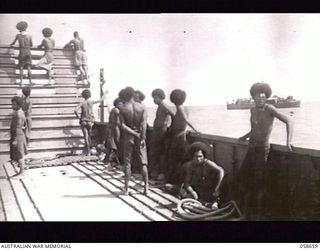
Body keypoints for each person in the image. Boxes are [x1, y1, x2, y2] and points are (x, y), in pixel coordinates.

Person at [237, 82, 293, 220]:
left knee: (259, 184)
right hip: (252, 147)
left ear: (266, 97)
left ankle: (258, 217)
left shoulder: (270, 109)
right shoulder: (252, 110)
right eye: (258, 96)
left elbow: (289, 121)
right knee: (244, 180)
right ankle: (246, 214)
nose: (261, 99)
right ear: (253, 97)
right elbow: (254, 130)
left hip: (262, 149)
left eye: (263, 96)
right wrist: (244, 137)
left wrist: (288, 142)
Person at [118, 87, 149, 195]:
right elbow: (144, 124)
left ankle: (126, 189)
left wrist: (134, 133)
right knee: (143, 162)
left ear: (125, 96)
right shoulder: (142, 107)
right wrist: (143, 137)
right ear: (133, 95)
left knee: (127, 163)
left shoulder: (122, 108)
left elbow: (122, 125)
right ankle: (146, 188)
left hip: (128, 137)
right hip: (140, 137)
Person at [165, 89, 199, 185]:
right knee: (179, 158)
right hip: (181, 135)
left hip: (177, 137)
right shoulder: (184, 108)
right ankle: (178, 180)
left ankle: (173, 180)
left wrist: (196, 129)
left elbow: (185, 119)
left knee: (174, 158)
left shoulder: (179, 108)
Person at [182, 142, 225, 207]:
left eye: (200, 156)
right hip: (198, 190)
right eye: (196, 156)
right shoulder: (190, 166)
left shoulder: (208, 164)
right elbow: (186, 183)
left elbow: (221, 171)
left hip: (210, 190)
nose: (198, 159)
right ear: (192, 156)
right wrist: (192, 192)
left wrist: (218, 187)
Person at [74, 88, 108, 155]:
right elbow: (101, 100)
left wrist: (78, 117)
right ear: (89, 95)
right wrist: (105, 93)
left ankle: (88, 151)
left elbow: (75, 110)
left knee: (86, 137)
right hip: (90, 121)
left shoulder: (82, 103)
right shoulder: (91, 102)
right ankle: (91, 149)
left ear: (83, 95)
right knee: (90, 136)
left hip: (83, 120)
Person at [149, 88, 174, 180]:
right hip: (157, 133)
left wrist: (170, 126)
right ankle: (155, 172)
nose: (154, 100)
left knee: (160, 153)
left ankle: (161, 173)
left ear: (160, 97)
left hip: (162, 133)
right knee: (155, 152)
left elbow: (174, 115)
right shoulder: (160, 106)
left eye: (155, 98)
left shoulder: (164, 105)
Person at [10, 96, 28, 179]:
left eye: (13, 104)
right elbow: (24, 125)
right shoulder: (20, 112)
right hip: (18, 134)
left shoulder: (18, 113)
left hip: (18, 135)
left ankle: (22, 173)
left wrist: (15, 140)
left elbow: (18, 126)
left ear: (18, 105)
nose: (12, 106)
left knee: (20, 154)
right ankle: (20, 171)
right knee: (18, 154)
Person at [104, 97, 123, 165]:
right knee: (115, 144)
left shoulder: (114, 110)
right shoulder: (116, 110)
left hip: (112, 128)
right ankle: (115, 160)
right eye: (120, 104)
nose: (122, 105)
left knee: (111, 145)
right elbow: (117, 122)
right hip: (113, 128)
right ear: (117, 104)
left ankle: (107, 160)